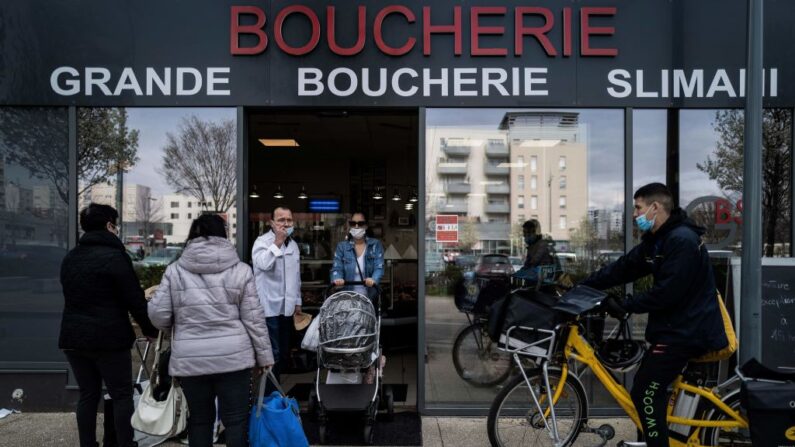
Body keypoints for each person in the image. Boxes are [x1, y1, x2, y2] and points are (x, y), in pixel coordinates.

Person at [580, 183, 728, 447]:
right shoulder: (659, 240)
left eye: (638, 208)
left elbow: (667, 292)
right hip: (676, 328)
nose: (636, 214)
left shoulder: (681, 240)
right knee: (651, 390)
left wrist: (625, 305)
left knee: (645, 391)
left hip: (686, 331)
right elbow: (625, 268)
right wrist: (585, 284)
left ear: (655, 207)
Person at [148, 214, 273, 447]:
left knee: (199, 421)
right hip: (234, 359)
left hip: (191, 360)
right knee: (236, 421)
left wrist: (178, 326)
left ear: (192, 236)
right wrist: (265, 357)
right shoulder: (241, 270)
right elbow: (254, 320)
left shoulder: (175, 271)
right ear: (223, 236)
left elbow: (157, 315)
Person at [59, 204, 159, 447]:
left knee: (88, 394)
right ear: (109, 225)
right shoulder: (116, 257)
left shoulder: (71, 257)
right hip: (109, 338)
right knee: (121, 394)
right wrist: (150, 329)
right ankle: (124, 444)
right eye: (115, 224)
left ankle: (88, 444)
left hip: (74, 338)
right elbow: (134, 299)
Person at [251, 206, 302, 386]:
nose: (286, 224)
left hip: (287, 309)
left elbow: (296, 277)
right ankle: (270, 396)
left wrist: (297, 302)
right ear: (272, 223)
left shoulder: (294, 246)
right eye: (281, 220)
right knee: (272, 354)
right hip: (268, 309)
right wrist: (277, 243)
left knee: (284, 352)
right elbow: (263, 264)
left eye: (289, 220)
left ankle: (275, 394)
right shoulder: (261, 242)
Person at [330, 212, 385, 296]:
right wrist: (337, 279)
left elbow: (379, 267)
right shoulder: (342, 247)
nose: (356, 226)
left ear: (366, 226)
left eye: (360, 223)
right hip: (347, 298)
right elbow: (337, 268)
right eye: (353, 223)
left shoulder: (375, 245)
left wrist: (373, 280)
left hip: (369, 298)